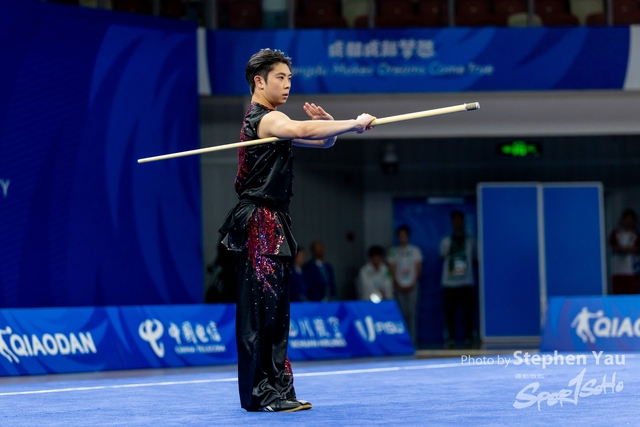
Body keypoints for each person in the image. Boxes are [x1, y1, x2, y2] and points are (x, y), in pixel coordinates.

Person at [218, 48, 375, 413]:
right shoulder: (267, 119)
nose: (288, 84)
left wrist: (334, 129)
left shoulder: (275, 122)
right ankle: (262, 394)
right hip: (260, 223)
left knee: (276, 313)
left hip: (273, 222)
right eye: (280, 78)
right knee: (262, 312)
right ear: (259, 82)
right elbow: (302, 129)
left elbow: (319, 140)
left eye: (290, 78)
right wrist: (355, 122)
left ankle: (278, 390)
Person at [439, 210, 477, 348]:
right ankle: (451, 338)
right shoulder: (446, 241)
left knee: (467, 312)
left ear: (463, 221)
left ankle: (468, 337)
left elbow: (475, 259)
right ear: (452, 222)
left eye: (459, 220)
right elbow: (442, 257)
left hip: (466, 281)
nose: (457, 223)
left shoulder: (471, 240)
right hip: (449, 283)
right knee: (450, 312)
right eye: (455, 220)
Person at [388, 225, 422, 343]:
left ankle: (412, 340)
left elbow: (418, 268)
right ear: (398, 237)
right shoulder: (393, 252)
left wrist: (413, 283)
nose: (402, 237)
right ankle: (402, 341)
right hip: (399, 286)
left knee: (411, 314)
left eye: (404, 235)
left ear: (408, 236)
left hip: (412, 286)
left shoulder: (415, 251)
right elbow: (391, 269)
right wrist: (397, 284)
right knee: (401, 313)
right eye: (400, 235)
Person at [609, 209, 640, 294]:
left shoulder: (636, 235)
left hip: (632, 272)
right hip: (617, 271)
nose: (628, 222)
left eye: (630, 219)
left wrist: (623, 249)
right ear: (622, 219)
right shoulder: (616, 233)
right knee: (617, 296)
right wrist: (628, 249)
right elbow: (614, 248)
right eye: (626, 219)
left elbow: (637, 249)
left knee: (632, 296)